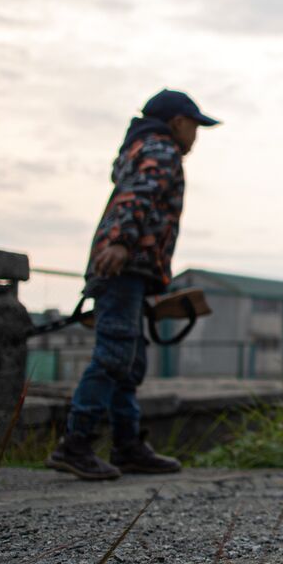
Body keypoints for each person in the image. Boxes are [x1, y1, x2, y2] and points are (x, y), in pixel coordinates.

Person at [45, 90, 220, 480]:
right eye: (194, 125)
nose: (196, 135)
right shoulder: (161, 150)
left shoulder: (144, 148)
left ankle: (127, 446)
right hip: (124, 265)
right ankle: (76, 444)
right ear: (178, 122)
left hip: (133, 269)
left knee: (128, 360)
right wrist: (123, 243)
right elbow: (138, 197)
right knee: (114, 355)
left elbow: (133, 196)